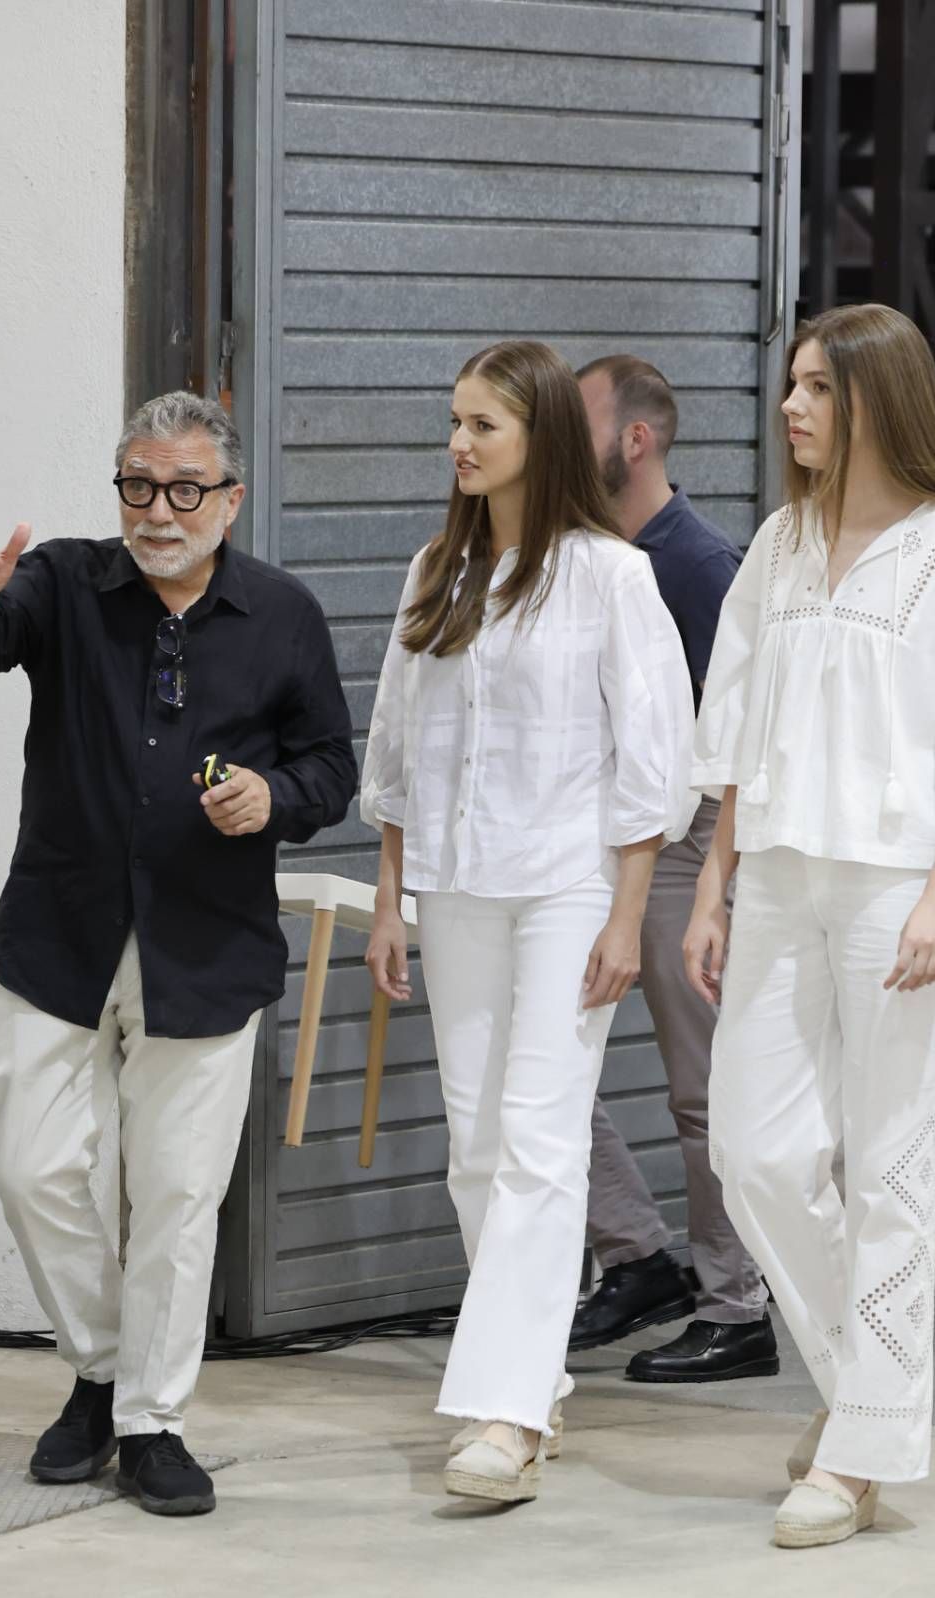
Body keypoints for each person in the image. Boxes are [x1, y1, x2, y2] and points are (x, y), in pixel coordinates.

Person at [0, 392, 356, 1516]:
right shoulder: (66, 581)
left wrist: (271, 796)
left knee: (175, 1191)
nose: (158, 512)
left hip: (204, 946)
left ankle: (149, 1419)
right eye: (137, 485)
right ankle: (106, 1365)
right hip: (60, 934)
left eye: (184, 490)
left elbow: (329, 768)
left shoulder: (282, 614)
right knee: (28, 1159)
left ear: (231, 497)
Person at [683, 303, 935, 1548]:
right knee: (755, 1150)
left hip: (901, 886)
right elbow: (732, 722)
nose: (793, 408)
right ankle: (861, 1401)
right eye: (792, 386)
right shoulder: (782, 542)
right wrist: (717, 879)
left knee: (892, 1163)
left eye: (818, 388)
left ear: (880, 396)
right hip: (777, 874)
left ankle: (857, 1450)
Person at [361, 340, 695, 1504]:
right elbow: (397, 754)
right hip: (454, 887)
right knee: (478, 1142)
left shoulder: (611, 577)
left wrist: (626, 914)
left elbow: (654, 768)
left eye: (482, 427)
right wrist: (393, 898)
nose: (458, 444)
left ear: (539, 438)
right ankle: (534, 1367)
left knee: (544, 1134)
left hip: (567, 889)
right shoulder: (432, 572)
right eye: (453, 422)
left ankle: (502, 1411)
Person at [567, 355, 775, 1382]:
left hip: (684, 842)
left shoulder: (696, 566)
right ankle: (637, 1254)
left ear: (634, 439)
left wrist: (712, 885)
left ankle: (739, 1306)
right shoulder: (589, 553)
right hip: (599, 842)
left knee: (702, 1092)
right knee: (548, 1065)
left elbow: (738, 739)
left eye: (581, 420)